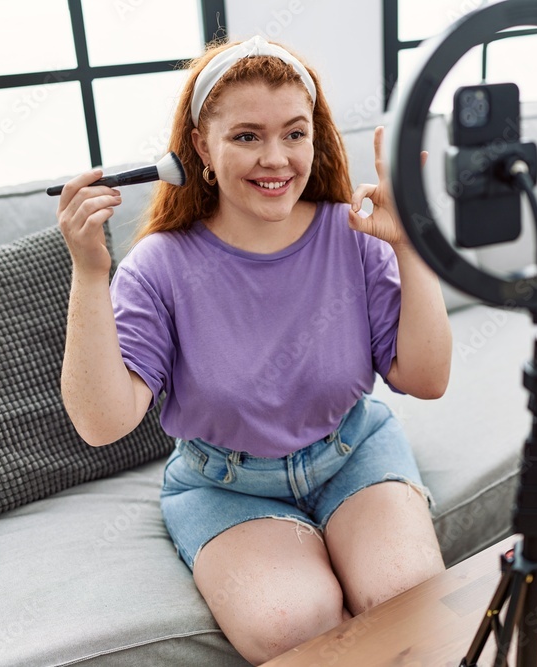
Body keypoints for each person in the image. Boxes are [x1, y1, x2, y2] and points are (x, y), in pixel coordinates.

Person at [56, 36, 452, 664]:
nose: (276, 158)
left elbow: (427, 380)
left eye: (295, 133)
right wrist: (88, 271)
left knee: (407, 600)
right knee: (294, 624)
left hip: (352, 451)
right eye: (246, 136)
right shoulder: (159, 266)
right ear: (200, 149)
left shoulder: (354, 233)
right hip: (225, 485)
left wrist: (410, 242)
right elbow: (102, 424)